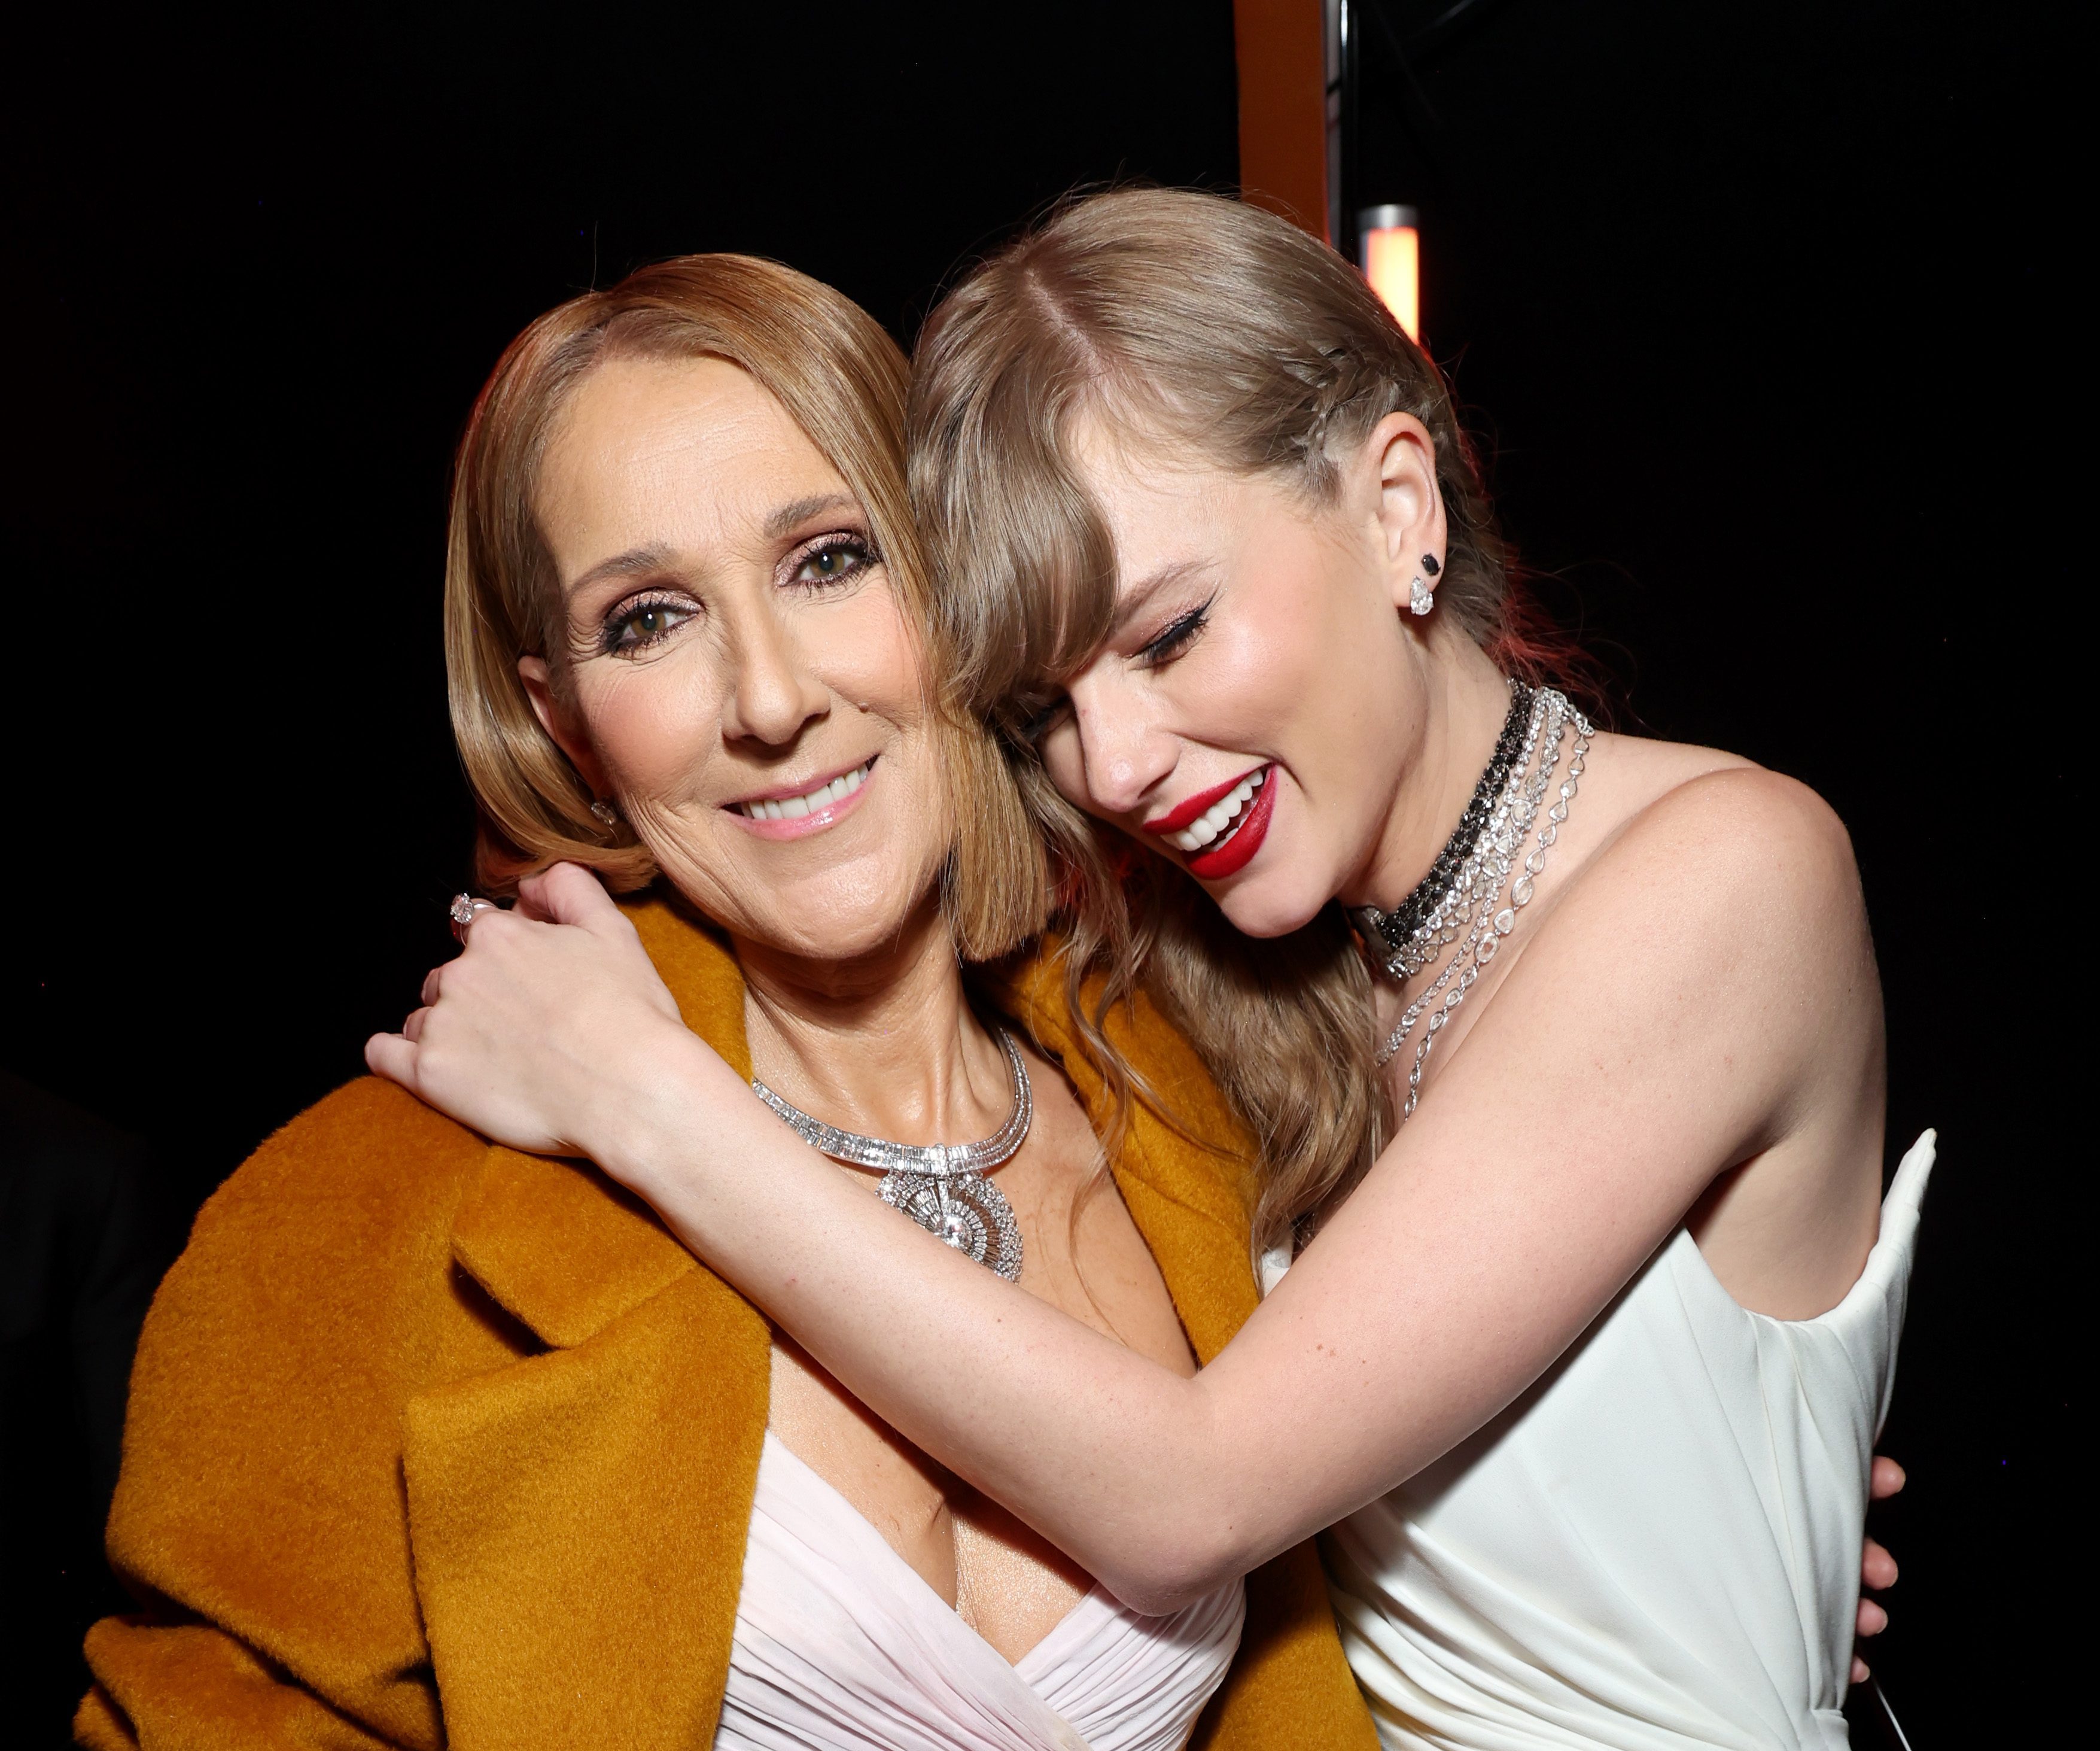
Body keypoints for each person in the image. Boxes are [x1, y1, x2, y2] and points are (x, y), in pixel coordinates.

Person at [378, 190, 1924, 1751]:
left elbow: (1198, 1490)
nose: (1110, 764)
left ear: (1397, 506)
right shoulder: (1213, 982)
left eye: (1172, 631)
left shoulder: (1733, 872)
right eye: (1047, 702)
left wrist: (647, 1095)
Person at [76, 254, 1380, 1751]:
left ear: (960, 582)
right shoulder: (359, 1215)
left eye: (829, 559)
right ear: (562, 719)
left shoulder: (1205, 1094)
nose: (768, 699)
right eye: (647, 620)